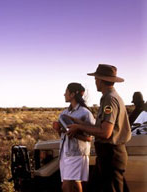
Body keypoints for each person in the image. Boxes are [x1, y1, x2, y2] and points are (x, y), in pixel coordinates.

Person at [67, 64, 131, 192]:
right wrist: (80, 123)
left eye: (96, 79)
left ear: (101, 80)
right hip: (108, 155)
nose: (95, 81)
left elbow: (106, 132)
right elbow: (102, 127)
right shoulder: (110, 98)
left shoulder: (110, 99)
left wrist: (79, 127)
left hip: (111, 154)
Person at [52, 83, 95, 192]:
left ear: (72, 94)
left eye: (66, 92)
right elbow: (64, 136)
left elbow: (91, 137)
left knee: (66, 186)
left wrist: (76, 133)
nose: (64, 94)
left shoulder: (85, 113)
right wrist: (58, 130)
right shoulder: (64, 113)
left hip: (77, 154)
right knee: (75, 185)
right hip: (65, 153)